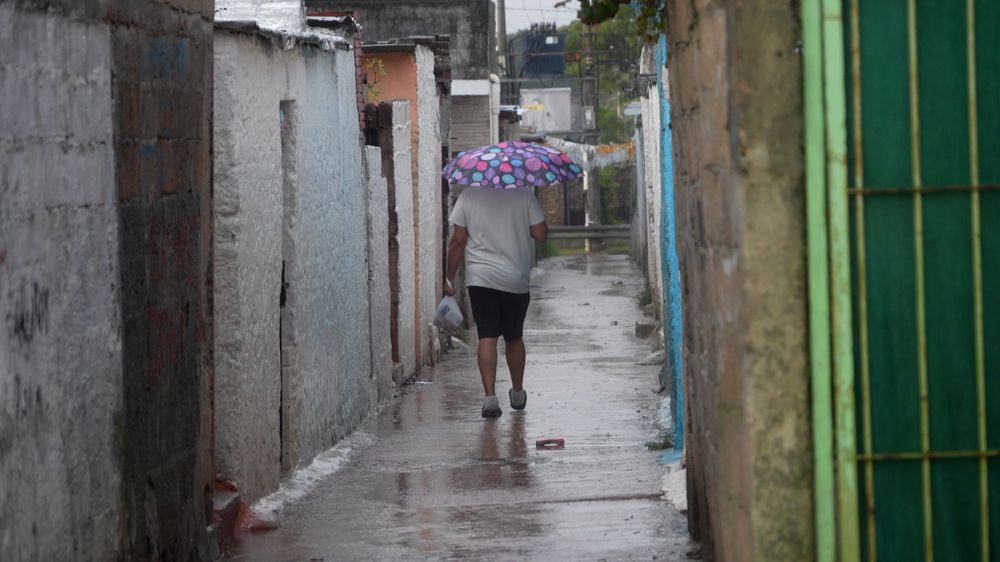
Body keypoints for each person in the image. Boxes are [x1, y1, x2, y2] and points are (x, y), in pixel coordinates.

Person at [445, 184, 548, 418]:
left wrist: (449, 278)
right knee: (514, 336)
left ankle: (490, 398)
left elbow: (458, 241)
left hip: (481, 278)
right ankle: (518, 392)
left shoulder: (469, 195)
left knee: (487, 336)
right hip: (516, 278)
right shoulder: (523, 194)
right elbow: (542, 235)